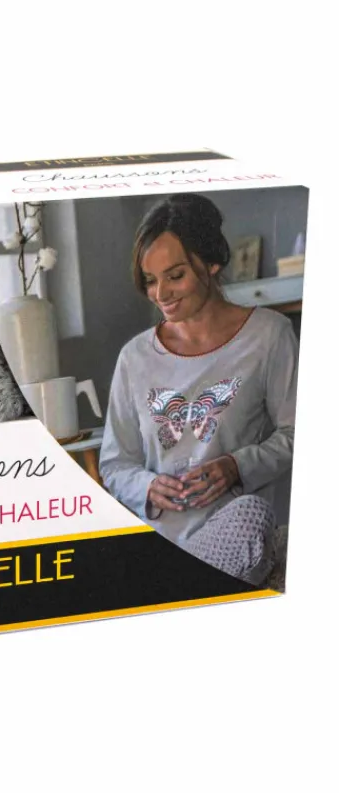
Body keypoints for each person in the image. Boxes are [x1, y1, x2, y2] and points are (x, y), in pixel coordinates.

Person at [98, 193, 298, 585]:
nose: (161, 294)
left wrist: (236, 466)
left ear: (211, 262)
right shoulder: (134, 357)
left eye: (175, 276)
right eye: (151, 281)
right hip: (157, 540)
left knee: (252, 514)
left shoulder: (269, 336)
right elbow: (115, 464)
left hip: (238, 534)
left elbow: (298, 432)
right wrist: (149, 486)